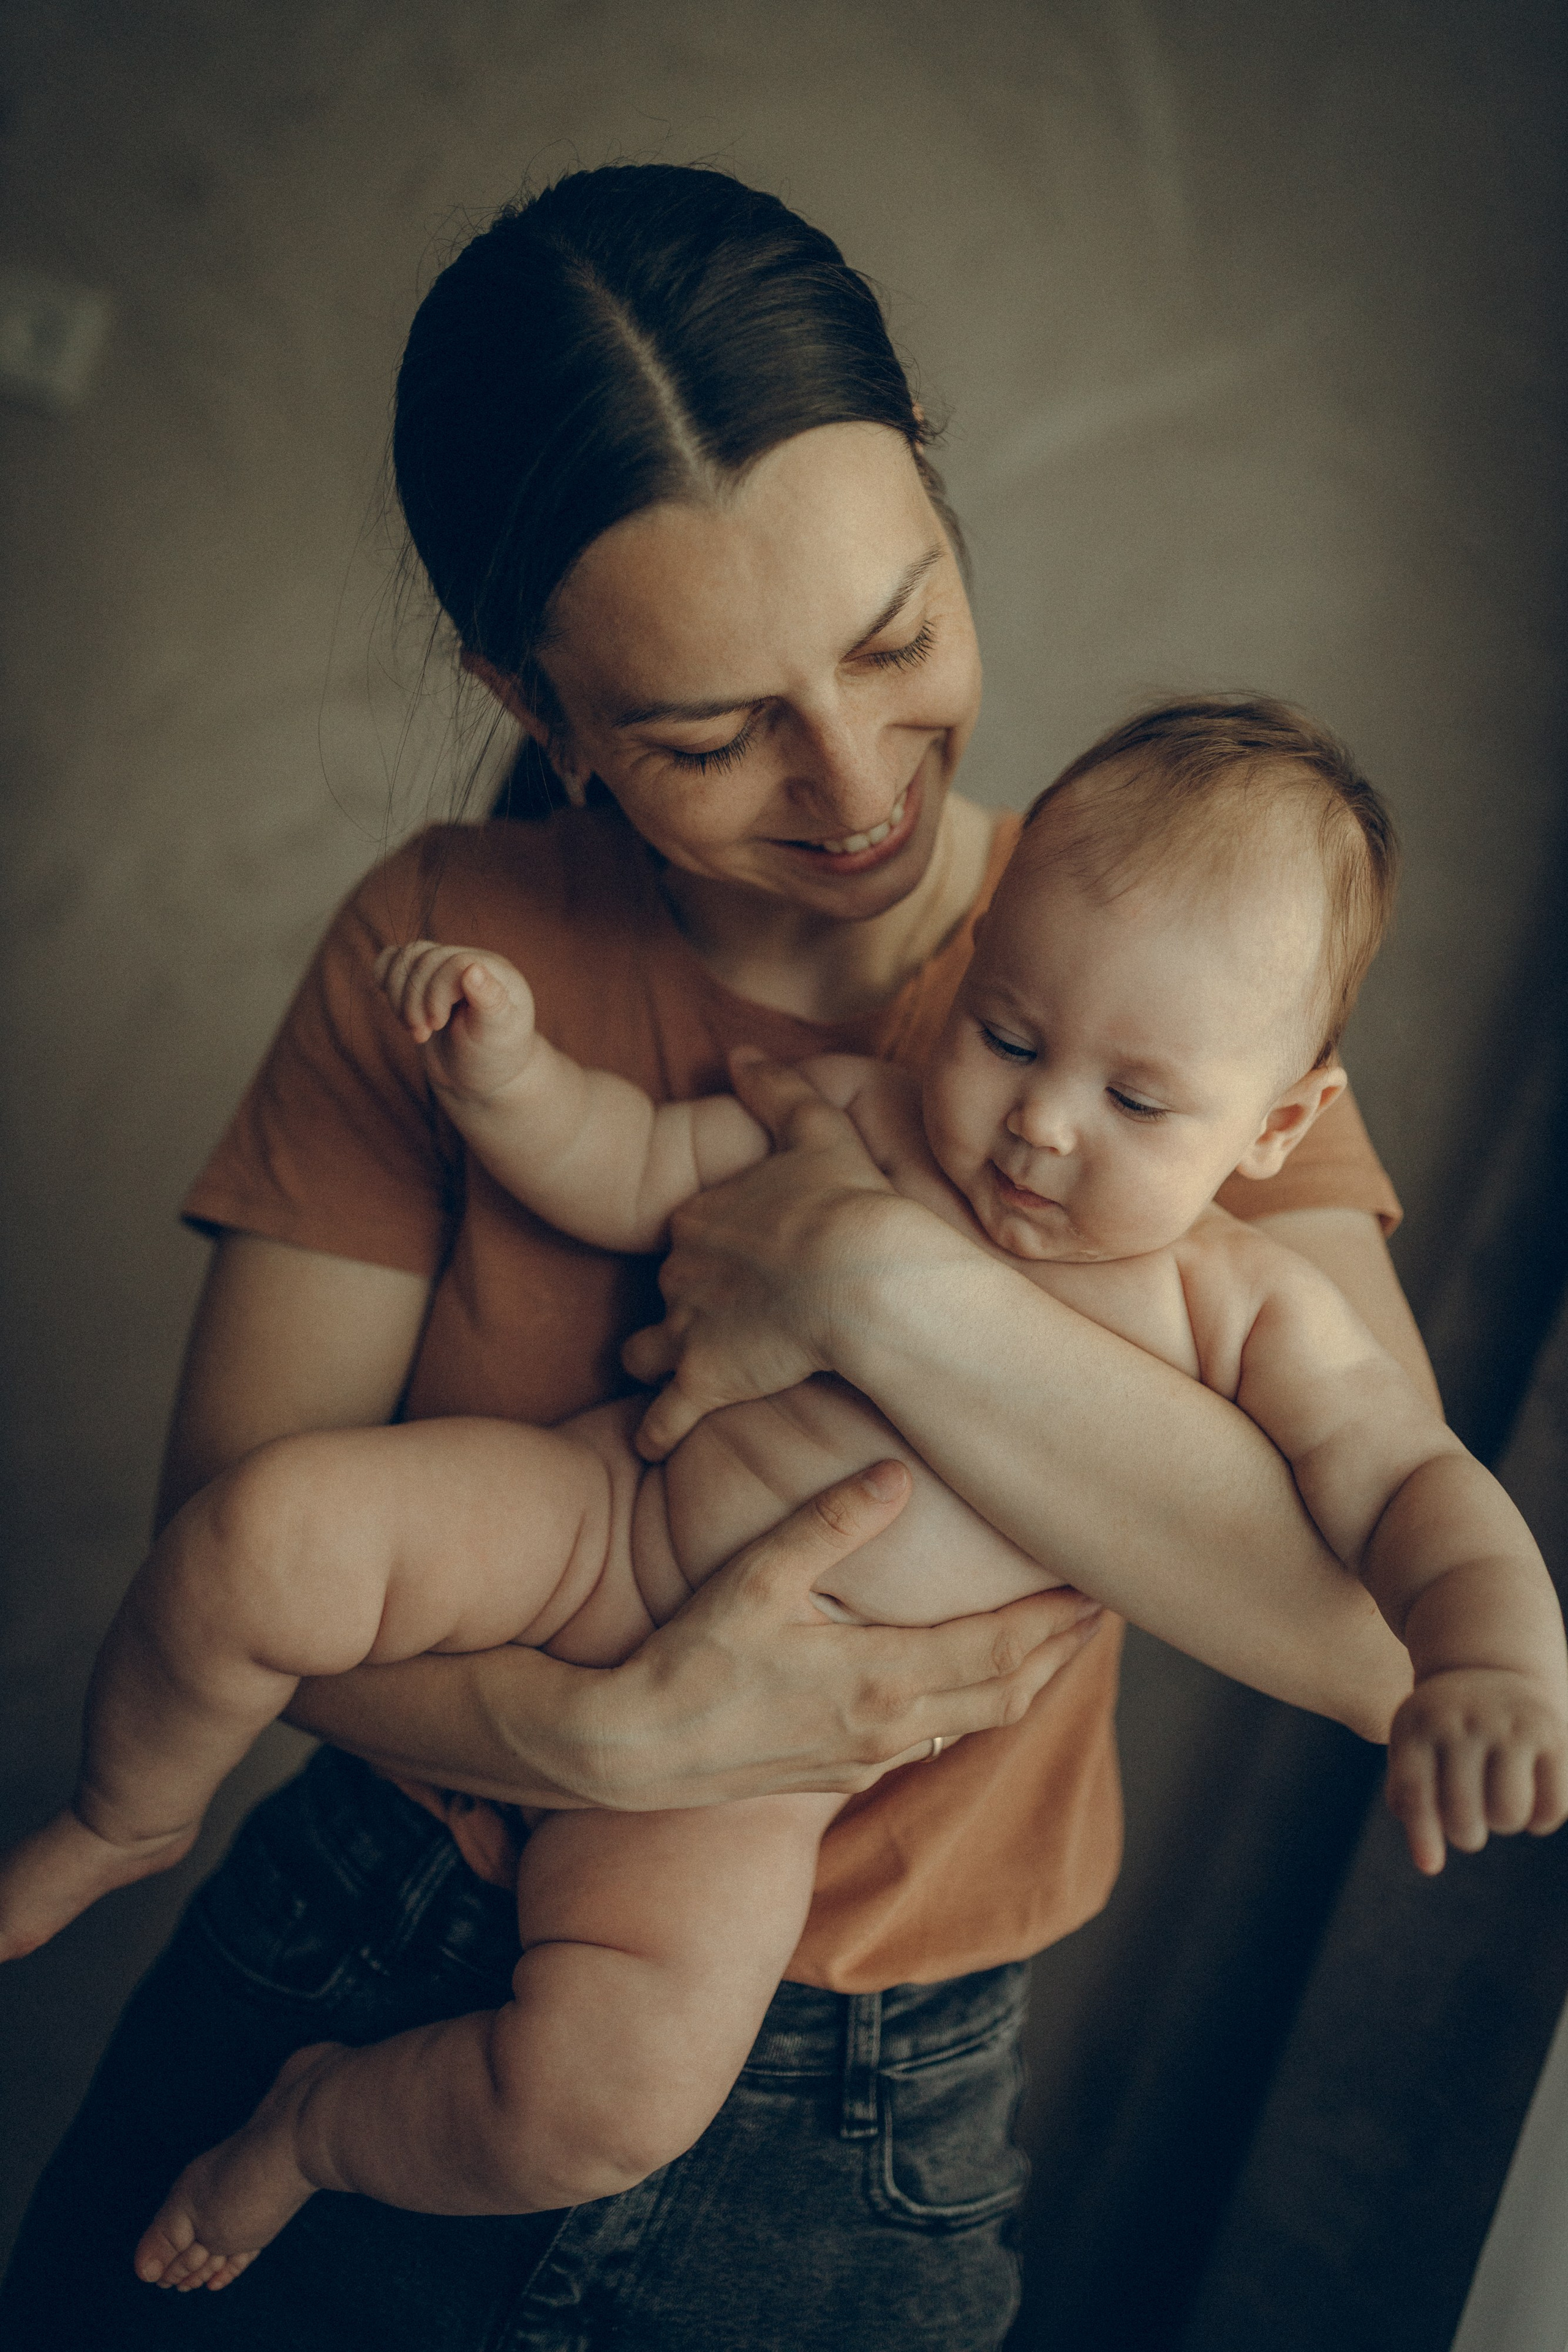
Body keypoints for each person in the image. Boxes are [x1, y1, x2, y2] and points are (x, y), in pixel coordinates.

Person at [1, 167, 1425, 2351]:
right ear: (537, 700)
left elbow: (1373, 1633)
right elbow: (245, 1547)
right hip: (374, 1921)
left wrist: (869, 1288)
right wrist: (614, 1739)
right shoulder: (441, 939)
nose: (851, 783)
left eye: (897, 638)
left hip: (858, 2110)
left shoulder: (1172, 982)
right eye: (703, 728)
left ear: (940, 506)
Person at [4, 698, 1561, 2299]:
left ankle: (315, 2130)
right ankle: (128, 1813)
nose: (1039, 1119)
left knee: (604, 2101)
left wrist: (1498, 1660)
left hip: (757, 1776)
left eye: (1138, 1103)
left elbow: (1412, 1489)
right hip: (595, 1524)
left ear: (1280, 1123)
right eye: (1010, 1036)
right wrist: (510, 1075)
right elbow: (624, 1161)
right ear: (971, 974)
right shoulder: (867, 1111)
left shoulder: (1247, 1310)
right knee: (255, 1541)